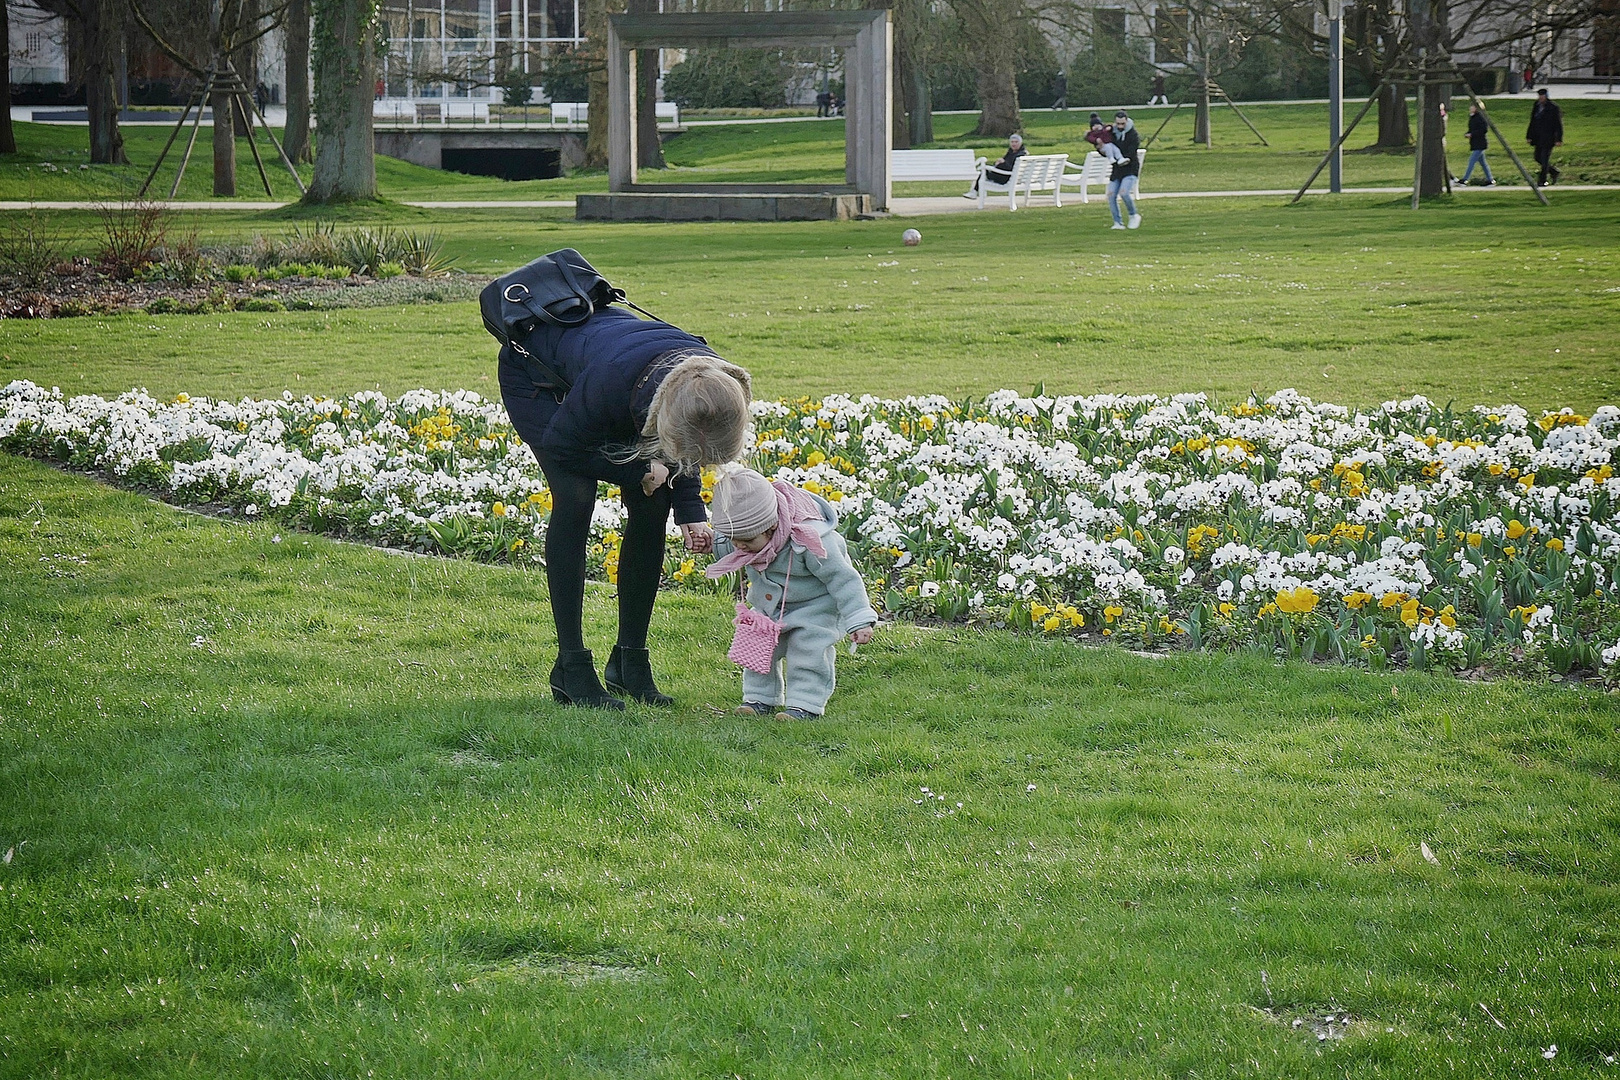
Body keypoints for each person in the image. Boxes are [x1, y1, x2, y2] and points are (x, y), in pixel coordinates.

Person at [498, 306, 752, 710]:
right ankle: (571, 667)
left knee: (654, 503)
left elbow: (687, 443)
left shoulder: (712, 381)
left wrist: (689, 511)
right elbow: (565, 448)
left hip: (613, 376)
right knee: (576, 495)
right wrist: (637, 471)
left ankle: (628, 663)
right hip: (538, 376)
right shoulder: (612, 385)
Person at [706, 468, 877, 720]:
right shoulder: (747, 533)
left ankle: (805, 704)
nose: (739, 547)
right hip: (769, 607)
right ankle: (759, 698)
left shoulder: (810, 541)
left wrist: (859, 618)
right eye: (734, 539)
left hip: (814, 607)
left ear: (772, 527)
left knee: (807, 651)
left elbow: (843, 579)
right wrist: (710, 542)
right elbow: (732, 545)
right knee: (756, 646)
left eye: (747, 540)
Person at [1105, 110, 1141, 229]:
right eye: (1118, 124)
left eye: (1123, 124)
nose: (1120, 126)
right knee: (1111, 195)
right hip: (1117, 170)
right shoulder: (1113, 133)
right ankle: (1117, 222)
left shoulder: (1133, 134)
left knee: (1124, 193)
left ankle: (1133, 215)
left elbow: (1131, 152)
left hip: (1130, 169)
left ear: (1126, 121)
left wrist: (1122, 158)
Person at [964, 132, 1027, 197]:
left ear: (1020, 143)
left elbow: (1010, 167)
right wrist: (998, 163)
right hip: (1011, 177)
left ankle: (974, 192)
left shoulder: (1020, 154)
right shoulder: (1011, 152)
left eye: (1016, 142)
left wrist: (1003, 163)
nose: (1014, 144)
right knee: (986, 170)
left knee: (984, 171)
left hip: (1007, 178)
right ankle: (974, 192)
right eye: (1012, 142)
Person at [1527, 87, 1563, 186]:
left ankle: (1542, 180)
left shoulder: (1553, 107)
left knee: (1544, 158)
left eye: (1542, 96)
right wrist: (1529, 136)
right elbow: (1532, 121)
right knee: (1537, 157)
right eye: (1539, 96)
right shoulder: (1536, 106)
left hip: (1549, 137)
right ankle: (1553, 171)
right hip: (1538, 137)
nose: (1541, 98)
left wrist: (1558, 139)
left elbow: (1558, 124)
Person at [1460, 102, 1495, 185]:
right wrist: (1468, 133)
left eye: (1472, 107)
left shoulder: (1480, 117)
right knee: (1483, 163)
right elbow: (1472, 128)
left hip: (1480, 143)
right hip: (1475, 143)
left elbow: (1483, 130)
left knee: (1471, 161)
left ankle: (1465, 179)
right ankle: (1490, 179)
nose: (1470, 108)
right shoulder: (1473, 117)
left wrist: (1472, 134)